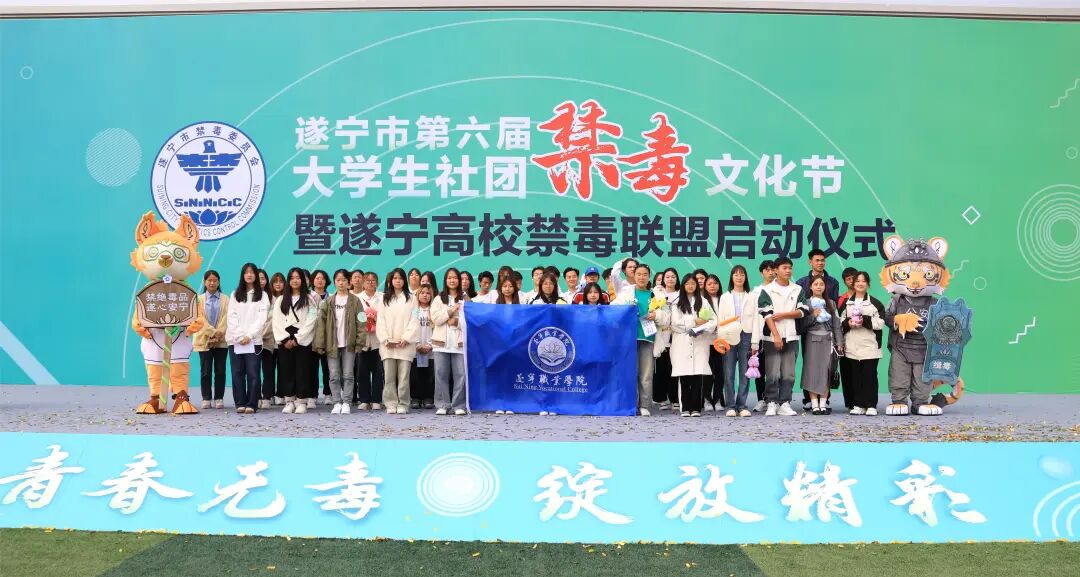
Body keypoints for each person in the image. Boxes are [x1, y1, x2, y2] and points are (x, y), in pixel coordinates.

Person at [755, 257, 808, 416]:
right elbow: (766, 314)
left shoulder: (797, 289)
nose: (788, 271)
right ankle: (771, 402)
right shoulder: (767, 290)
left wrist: (784, 314)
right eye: (785, 268)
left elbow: (803, 311)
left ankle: (785, 403)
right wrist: (776, 335)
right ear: (776, 270)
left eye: (790, 268)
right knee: (772, 373)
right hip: (772, 338)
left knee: (788, 373)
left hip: (791, 336)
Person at [613, 263, 666, 416]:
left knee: (646, 374)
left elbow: (666, 316)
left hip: (648, 338)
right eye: (639, 274)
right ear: (633, 276)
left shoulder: (655, 295)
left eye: (645, 274)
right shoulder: (626, 293)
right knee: (629, 372)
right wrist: (626, 309)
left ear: (649, 276)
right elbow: (613, 309)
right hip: (628, 339)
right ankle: (630, 404)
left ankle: (645, 405)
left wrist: (656, 315)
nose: (642, 277)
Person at [313, 269, 365, 415]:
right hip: (332, 344)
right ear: (335, 282)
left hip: (349, 344)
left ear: (349, 282)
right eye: (338, 280)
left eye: (343, 280)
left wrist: (360, 341)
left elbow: (362, 321)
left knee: (348, 375)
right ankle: (336, 402)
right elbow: (321, 324)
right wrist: (320, 344)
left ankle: (347, 402)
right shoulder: (328, 301)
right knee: (334, 375)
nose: (341, 283)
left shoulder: (356, 301)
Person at [669, 274, 717, 417]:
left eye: (693, 283)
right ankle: (685, 407)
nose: (690, 286)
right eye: (687, 283)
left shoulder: (703, 301)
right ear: (683, 285)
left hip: (699, 341)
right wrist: (695, 321)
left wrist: (700, 328)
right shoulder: (677, 302)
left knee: (697, 375)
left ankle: (696, 408)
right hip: (681, 342)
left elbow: (713, 321)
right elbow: (675, 323)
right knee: (684, 376)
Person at [839, 271, 886, 415]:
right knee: (855, 377)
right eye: (857, 281)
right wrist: (848, 323)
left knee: (869, 376)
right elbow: (840, 322)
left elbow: (881, 323)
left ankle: (871, 405)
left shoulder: (875, 303)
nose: (860, 283)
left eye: (863, 281)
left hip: (870, 346)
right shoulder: (846, 303)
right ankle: (858, 404)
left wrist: (864, 320)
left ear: (868, 284)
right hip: (852, 345)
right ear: (853, 284)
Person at [225, 263, 270, 414]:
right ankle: (240, 402)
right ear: (242, 275)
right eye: (246, 272)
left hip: (254, 341)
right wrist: (239, 336)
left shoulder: (262, 295)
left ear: (256, 275)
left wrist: (249, 336)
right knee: (237, 373)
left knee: (253, 373)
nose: (249, 275)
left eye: (252, 272)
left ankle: (252, 403)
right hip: (235, 340)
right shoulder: (235, 294)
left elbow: (261, 318)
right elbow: (231, 316)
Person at [273, 267, 317, 414]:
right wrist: (285, 339)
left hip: (302, 339)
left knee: (303, 371)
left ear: (303, 280)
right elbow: (276, 321)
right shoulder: (281, 300)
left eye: (298, 277)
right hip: (285, 339)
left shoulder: (309, 299)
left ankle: (301, 401)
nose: (295, 280)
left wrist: (298, 338)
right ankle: (289, 401)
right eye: (292, 278)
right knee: (287, 371)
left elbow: (312, 319)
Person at [798, 276, 844, 415]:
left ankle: (823, 404)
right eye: (816, 284)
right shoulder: (806, 303)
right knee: (811, 371)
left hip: (828, 340)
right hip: (811, 339)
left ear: (825, 287)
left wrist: (839, 342)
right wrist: (813, 315)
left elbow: (836, 324)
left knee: (826, 371)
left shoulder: (831, 303)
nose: (819, 287)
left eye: (821, 284)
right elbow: (801, 325)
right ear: (810, 287)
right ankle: (814, 404)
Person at [377, 268, 419, 414]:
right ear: (390, 281)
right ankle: (390, 403)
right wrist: (385, 339)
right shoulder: (384, 298)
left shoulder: (412, 298)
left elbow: (415, 319)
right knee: (389, 376)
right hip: (388, 345)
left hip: (405, 345)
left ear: (404, 281)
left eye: (400, 278)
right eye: (395, 278)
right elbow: (380, 320)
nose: (397, 281)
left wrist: (406, 338)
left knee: (404, 377)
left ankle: (403, 403)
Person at [717, 267, 755, 417]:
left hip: (746, 335)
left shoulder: (752, 296)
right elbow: (720, 319)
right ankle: (730, 406)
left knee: (745, 372)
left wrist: (755, 341)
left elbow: (756, 320)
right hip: (728, 335)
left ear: (746, 277)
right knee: (729, 372)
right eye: (736, 274)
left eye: (742, 274)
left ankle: (742, 405)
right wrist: (721, 339)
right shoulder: (725, 297)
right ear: (731, 277)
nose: (739, 277)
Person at [431, 268, 468, 416]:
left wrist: (457, 323)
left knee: (461, 375)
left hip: (459, 344)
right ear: (445, 280)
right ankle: (442, 404)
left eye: (455, 278)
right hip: (441, 345)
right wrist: (451, 311)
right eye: (449, 278)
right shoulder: (439, 298)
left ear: (459, 280)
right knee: (441, 374)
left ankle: (459, 405)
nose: (452, 280)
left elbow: (470, 320)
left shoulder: (465, 298)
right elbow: (436, 319)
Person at [195, 270, 229, 409]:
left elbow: (227, 318)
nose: (212, 283)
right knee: (205, 371)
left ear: (219, 282)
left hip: (222, 341)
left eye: (215, 280)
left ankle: (219, 398)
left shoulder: (226, 299)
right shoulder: (198, 299)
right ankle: (206, 398)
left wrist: (219, 334)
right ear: (204, 282)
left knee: (220, 371)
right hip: (204, 340)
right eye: (209, 280)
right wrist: (212, 333)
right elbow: (199, 319)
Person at [748, 260, 774, 412]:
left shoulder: (779, 290)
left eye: (772, 269)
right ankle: (761, 399)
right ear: (761, 272)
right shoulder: (756, 292)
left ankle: (773, 400)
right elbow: (753, 315)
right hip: (760, 335)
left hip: (776, 335)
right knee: (760, 369)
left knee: (775, 370)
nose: (770, 272)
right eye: (767, 270)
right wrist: (755, 338)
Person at [653, 267, 680, 410]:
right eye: (667, 277)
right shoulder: (657, 293)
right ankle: (661, 399)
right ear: (663, 279)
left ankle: (675, 398)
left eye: (673, 277)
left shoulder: (680, 294)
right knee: (660, 369)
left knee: (674, 369)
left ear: (677, 279)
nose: (670, 279)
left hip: (676, 335)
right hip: (660, 335)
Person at [356, 271, 384, 411]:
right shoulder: (357, 298)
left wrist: (375, 318)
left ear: (377, 283)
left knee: (378, 371)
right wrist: (365, 319)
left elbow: (385, 315)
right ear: (363, 282)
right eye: (367, 280)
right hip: (363, 340)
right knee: (362, 372)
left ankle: (376, 400)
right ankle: (364, 400)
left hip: (378, 340)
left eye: (373, 280)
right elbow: (355, 315)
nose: (370, 283)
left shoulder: (383, 297)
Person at [835, 266, 859, 409]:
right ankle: (850, 403)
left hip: (862, 340)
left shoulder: (866, 298)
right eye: (848, 279)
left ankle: (861, 401)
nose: (851, 281)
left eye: (853, 278)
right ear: (844, 281)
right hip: (844, 340)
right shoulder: (840, 299)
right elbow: (836, 321)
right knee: (846, 370)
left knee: (860, 371)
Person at [702, 274, 725, 411]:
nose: (712, 286)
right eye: (709, 284)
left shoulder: (724, 299)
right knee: (707, 373)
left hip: (722, 342)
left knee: (720, 373)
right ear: (705, 286)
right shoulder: (701, 301)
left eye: (715, 283)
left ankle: (717, 400)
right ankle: (707, 400)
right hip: (706, 341)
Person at [263, 272, 286, 405]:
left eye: (281, 281)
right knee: (268, 370)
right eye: (275, 281)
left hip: (282, 341)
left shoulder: (287, 299)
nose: (278, 284)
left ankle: (280, 394)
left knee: (283, 370)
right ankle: (268, 395)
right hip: (268, 341)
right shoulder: (266, 299)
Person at [310, 270, 331, 407]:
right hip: (311, 338)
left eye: (323, 278)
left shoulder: (332, 297)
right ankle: (312, 395)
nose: (320, 280)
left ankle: (328, 394)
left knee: (327, 368)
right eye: (317, 278)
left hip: (327, 338)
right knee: (312, 369)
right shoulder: (308, 297)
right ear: (312, 280)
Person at [412, 285, 435, 409]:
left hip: (431, 348)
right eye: (422, 293)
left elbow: (437, 329)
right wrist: (416, 344)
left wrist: (430, 345)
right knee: (415, 374)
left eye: (428, 293)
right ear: (418, 295)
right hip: (416, 347)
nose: (425, 295)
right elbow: (410, 326)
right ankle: (415, 397)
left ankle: (428, 397)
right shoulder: (415, 310)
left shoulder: (433, 309)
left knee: (429, 374)